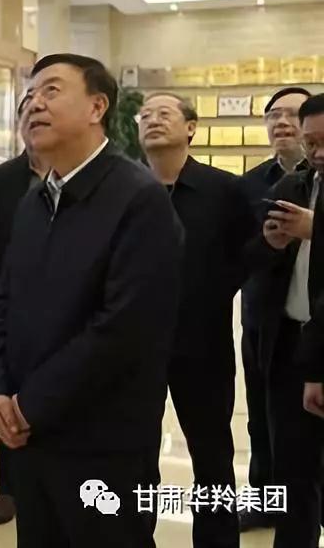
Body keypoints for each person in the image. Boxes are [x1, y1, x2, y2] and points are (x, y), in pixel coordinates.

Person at [0, 53, 182, 548]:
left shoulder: (139, 197)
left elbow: (123, 328)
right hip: (30, 435)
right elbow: (3, 301)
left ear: (97, 107)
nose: (33, 104)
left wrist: (31, 404)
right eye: (29, 95)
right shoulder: (32, 200)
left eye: (51, 90)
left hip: (103, 440)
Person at [139, 93, 254, 548]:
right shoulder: (125, 188)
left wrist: (210, 292)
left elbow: (246, 255)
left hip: (203, 344)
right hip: (133, 348)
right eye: (145, 115)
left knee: (211, 455)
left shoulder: (224, 190)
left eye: (164, 114)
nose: (152, 120)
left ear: (191, 127)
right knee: (134, 455)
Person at [251, 93, 324, 548]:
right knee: (293, 468)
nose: (318, 152)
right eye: (311, 142)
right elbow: (255, 262)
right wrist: (270, 243)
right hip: (288, 344)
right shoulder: (292, 186)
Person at [238, 87, 310, 532]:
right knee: (261, 418)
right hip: (264, 319)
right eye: (273, 116)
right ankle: (265, 499)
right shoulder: (249, 184)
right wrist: (268, 244)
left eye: (292, 115)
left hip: (312, 321)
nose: (281, 123)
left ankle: (307, 505)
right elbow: (238, 254)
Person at [0, 88, 49, 526]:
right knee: (7, 391)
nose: (32, 117)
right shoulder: (2, 178)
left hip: (64, 302)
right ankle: (9, 489)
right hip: (11, 297)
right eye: (24, 112)